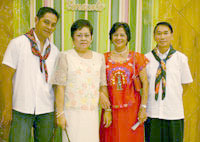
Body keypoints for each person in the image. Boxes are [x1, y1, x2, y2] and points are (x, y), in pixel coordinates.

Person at [0, 7, 60, 142]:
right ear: (36, 20)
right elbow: (5, 78)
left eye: (53, 25)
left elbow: (56, 84)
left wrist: (56, 111)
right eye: (46, 22)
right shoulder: (17, 44)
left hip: (46, 110)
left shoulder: (55, 51)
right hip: (20, 108)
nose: (49, 27)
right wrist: (7, 109)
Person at [50, 19, 111, 142]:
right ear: (73, 38)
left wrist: (107, 110)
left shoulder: (99, 58)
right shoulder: (65, 56)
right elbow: (60, 87)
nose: (83, 38)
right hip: (71, 113)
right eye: (79, 35)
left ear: (91, 38)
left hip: (92, 113)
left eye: (86, 35)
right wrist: (60, 113)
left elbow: (102, 84)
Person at [100, 22, 149, 142]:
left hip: (132, 111)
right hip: (111, 110)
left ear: (127, 37)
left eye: (122, 35)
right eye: (115, 35)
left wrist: (143, 108)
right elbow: (100, 84)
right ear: (111, 37)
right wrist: (107, 110)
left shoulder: (137, 58)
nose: (119, 38)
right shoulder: (103, 58)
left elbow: (145, 83)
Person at [144, 22, 193, 142]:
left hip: (174, 113)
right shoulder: (146, 58)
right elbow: (143, 85)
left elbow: (185, 84)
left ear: (172, 35)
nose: (162, 37)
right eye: (159, 33)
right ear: (154, 36)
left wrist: (172, 96)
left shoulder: (181, 58)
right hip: (152, 112)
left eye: (166, 33)